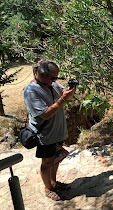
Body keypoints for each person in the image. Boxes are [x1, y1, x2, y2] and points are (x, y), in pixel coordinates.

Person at [23, 61, 76, 201]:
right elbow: (45, 114)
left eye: (56, 79)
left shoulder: (51, 83)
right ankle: (48, 189)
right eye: (53, 78)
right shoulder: (31, 91)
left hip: (57, 132)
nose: (55, 81)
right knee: (47, 162)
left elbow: (66, 96)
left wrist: (71, 90)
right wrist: (63, 99)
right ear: (41, 74)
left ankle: (53, 183)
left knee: (55, 159)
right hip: (45, 135)